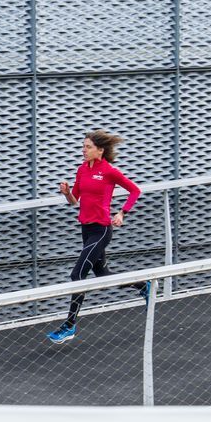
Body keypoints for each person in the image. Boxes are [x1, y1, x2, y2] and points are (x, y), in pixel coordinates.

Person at [45, 129, 148, 345]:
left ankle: (70, 326)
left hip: (101, 230)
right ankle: (142, 285)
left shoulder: (109, 171)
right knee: (102, 273)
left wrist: (122, 213)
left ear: (100, 150)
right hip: (86, 229)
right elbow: (75, 201)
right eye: (83, 146)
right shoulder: (82, 170)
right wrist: (66, 193)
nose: (83, 150)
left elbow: (135, 191)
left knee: (77, 275)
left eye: (88, 147)